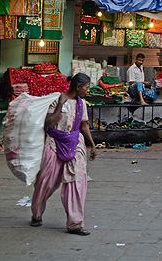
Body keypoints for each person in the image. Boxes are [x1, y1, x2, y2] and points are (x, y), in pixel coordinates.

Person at [30, 73, 97, 235]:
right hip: (54, 144)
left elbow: (84, 125)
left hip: (75, 144)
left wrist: (92, 145)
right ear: (77, 87)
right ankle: (36, 214)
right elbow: (50, 123)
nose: (87, 91)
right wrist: (60, 105)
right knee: (46, 181)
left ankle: (75, 223)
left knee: (77, 183)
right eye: (86, 87)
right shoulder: (57, 100)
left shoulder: (82, 104)